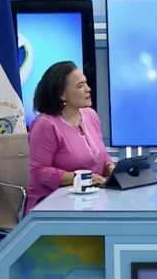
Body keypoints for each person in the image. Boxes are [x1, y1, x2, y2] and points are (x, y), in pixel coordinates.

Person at [27, 61, 114, 211]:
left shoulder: (91, 115)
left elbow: (101, 155)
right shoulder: (45, 125)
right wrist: (82, 178)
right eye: (80, 86)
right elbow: (38, 172)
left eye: (86, 83)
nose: (88, 89)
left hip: (91, 201)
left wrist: (111, 168)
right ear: (61, 94)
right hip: (50, 205)